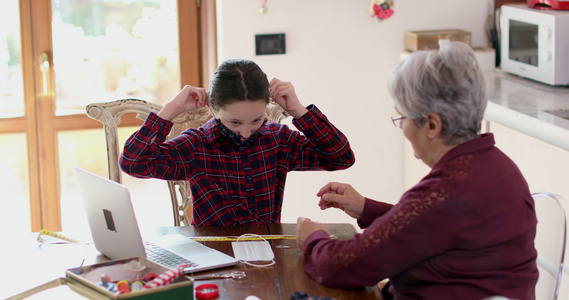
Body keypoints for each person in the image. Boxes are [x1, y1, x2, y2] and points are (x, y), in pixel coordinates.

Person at [296, 42, 538, 300]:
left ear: (432, 125)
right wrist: (367, 208)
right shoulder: (497, 165)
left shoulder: (448, 190)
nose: (403, 130)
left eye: (403, 119)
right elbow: (433, 230)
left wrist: (314, 239)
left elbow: (342, 265)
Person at [119, 59, 355, 226]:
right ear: (212, 109)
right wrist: (171, 110)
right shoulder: (195, 146)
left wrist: (298, 110)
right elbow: (133, 163)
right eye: (234, 122)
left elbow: (341, 158)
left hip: (266, 254)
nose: (245, 132)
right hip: (213, 256)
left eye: (256, 120)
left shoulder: (279, 141)